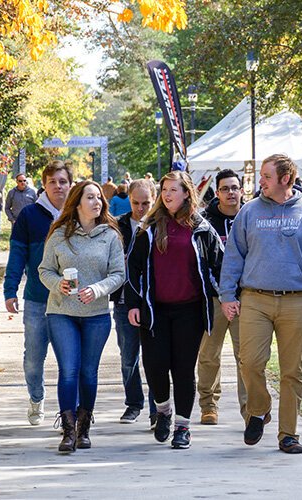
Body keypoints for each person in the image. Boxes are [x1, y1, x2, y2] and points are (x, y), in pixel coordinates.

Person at [220, 154, 302, 455]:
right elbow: (234, 255)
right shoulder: (249, 211)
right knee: (250, 362)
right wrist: (227, 295)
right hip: (254, 298)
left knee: (291, 370)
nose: (260, 182)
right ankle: (259, 409)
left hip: (296, 301)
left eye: (266, 177)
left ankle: (288, 434)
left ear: (285, 179)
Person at [125, 171, 224, 450]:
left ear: (186, 194)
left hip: (189, 311)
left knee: (183, 370)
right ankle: (163, 410)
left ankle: (182, 426)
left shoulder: (202, 228)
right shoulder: (149, 227)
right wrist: (133, 303)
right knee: (156, 367)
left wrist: (227, 296)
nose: (167, 194)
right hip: (155, 312)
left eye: (173, 190)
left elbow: (218, 265)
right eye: (164, 189)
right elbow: (133, 268)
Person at [38, 180, 125, 453]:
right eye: (90, 197)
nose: (96, 202)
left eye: (99, 197)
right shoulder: (59, 234)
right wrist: (57, 284)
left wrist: (98, 289)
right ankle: (67, 429)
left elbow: (118, 275)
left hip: (96, 315)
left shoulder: (110, 235)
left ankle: (84, 427)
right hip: (61, 312)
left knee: (88, 373)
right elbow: (44, 270)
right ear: (76, 203)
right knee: (69, 371)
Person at [4, 161, 72, 425]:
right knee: (34, 358)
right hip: (37, 299)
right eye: (52, 181)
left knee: (70, 361)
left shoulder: (79, 214)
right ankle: (36, 398)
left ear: (70, 184)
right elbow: (17, 254)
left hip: (69, 302)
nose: (58, 186)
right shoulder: (30, 215)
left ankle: (69, 412)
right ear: (43, 184)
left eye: (63, 181)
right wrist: (10, 290)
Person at [196, 169, 247, 425]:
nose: (230, 192)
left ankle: (250, 409)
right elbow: (201, 262)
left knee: (246, 356)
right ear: (217, 193)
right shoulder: (204, 221)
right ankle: (208, 405)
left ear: (241, 190)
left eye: (234, 187)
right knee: (208, 354)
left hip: (246, 298)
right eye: (225, 188)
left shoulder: (251, 217)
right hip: (213, 298)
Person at [111, 179, 157, 427]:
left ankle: (156, 408)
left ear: (154, 199)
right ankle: (134, 402)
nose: (141, 208)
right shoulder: (116, 226)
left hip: (153, 301)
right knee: (128, 356)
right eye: (136, 203)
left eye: (146, 203)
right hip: (123, 301)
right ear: (128, 199)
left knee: (154, 357)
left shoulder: (159, 224)